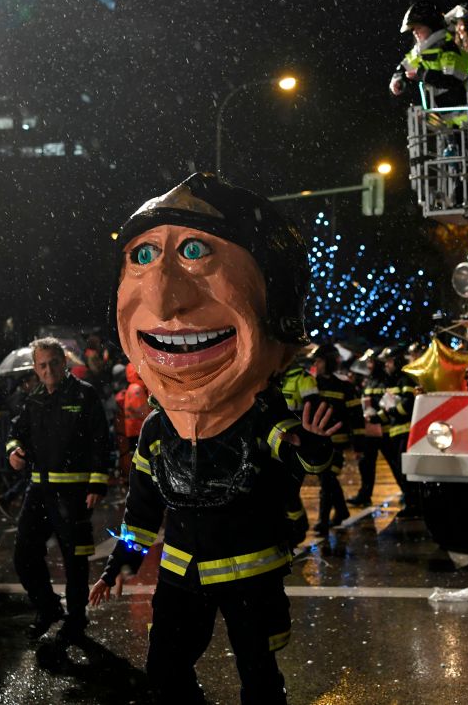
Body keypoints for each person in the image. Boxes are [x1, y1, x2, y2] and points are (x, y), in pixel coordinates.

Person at [89, 172, 339, 704]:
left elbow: (299, 458)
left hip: (250, 575)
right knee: (166, 671)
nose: (162, 297)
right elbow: (142, 506)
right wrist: (121, 562)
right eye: (142, 256)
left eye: (196, 250)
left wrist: (312, 448)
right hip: (181, 575)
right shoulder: (158, 429)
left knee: (259, 677)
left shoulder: (261, 420)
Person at [6, 337, 112, 642]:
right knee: (24, 556)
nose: (48, 369)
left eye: (53, 362)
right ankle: (48, 607)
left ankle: (76, 621)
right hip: (38, 493)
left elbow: (99, 441)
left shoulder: (84, 394)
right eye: (42, 365)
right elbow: (16, 432)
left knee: (74, 561)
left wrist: (97, 481)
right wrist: (13, 451)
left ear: (63, 362)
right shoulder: (34, 398)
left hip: (74, 494)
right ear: (36, 369)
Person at [390, 1, 468, 116]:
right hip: (451, 116)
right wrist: (398, 80)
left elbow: (452, 80)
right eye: (412, 29)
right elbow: (404, 66)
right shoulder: (421, 50)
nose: (415, 32)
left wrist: (422, 74)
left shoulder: (448, 47)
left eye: (419, 27)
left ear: (431, 25)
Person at [310, 344, 364, 534]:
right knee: (328, 479)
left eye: (320, 360)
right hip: (316, 444)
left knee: (327, 479)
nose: (316, 364)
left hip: (336, 445)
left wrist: (359, 447)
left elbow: (357, 418)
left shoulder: (345, 387)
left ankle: (323, 522)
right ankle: (341, 511)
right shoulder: (311, 385)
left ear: (329, 362)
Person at [367, 346, 420, 516]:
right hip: (397, 432)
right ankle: (411, 503)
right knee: (401, 470)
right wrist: (376, 418)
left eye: (389, 361)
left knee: (405, 470)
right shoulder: (395, 381)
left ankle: (414, 506)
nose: (386, 366)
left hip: (406, 432)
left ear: (397, 361)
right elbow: (390, 407)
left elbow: (408, 406)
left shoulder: (406, 380)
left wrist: (391, 412)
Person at [348, 348, 384, 506]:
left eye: (371, 362)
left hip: (385, 430)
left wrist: (378, 414)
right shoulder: (368, 381)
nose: (369, 365)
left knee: (396, 465)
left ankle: (410, 496)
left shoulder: (385, 380)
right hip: (370, 429)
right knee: (366, 465)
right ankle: (364, 495)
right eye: (368, 362)